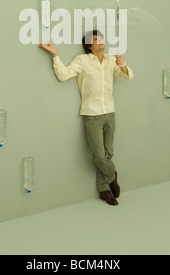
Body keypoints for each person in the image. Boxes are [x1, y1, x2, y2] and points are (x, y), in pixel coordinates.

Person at [38, 30, 133, 206]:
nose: (101, 41)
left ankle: (104, 190)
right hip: (92, 114)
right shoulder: (82, 60)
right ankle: (113, 176)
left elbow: (127, 77)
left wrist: (122, 64)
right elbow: (63, 75)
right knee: (99, 156)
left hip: (110, 112)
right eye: (96, 39)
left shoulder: (112, 60)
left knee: (108, 153)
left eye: (102, 38)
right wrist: (55, 55)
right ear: (89, 45)